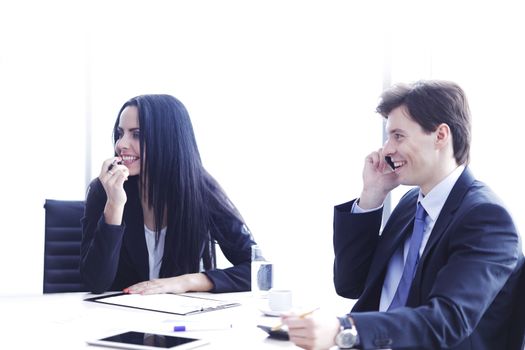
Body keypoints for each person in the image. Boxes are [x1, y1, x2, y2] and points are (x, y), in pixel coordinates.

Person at [282, 80, 524, 349]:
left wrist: (346, 328)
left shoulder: (486, 219)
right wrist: (372, 194)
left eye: (398, 136)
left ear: (440, 136)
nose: (386, 150)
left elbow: (447, 320)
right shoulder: (412, 203)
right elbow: (349, 284)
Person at [80, 94, 256, 295]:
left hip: (177, 318)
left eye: (136, 134)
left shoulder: (200, 190)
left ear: (167, 138)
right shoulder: (105, 190)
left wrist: (187, 281)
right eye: (120, 133)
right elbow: (95, 283)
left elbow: (258, 270)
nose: (121, 144)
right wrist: (114, 205)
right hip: (119, 317)